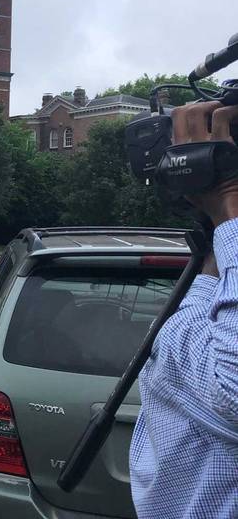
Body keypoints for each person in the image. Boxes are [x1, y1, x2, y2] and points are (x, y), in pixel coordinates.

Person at [129, 100, 238, 518]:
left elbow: (231, 393)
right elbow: (205, 292)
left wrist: (227, 202)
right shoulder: (191, 326)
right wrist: (221, 221)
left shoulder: (184, 341)